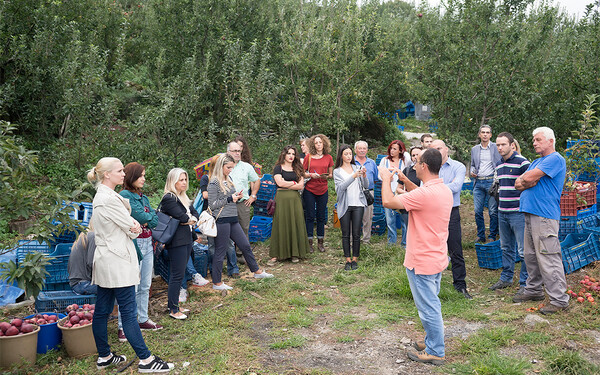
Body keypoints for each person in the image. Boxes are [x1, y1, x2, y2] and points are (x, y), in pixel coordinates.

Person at [87, 157, 173, 372]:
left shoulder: (105, 195)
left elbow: (135, 223)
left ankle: (104, 356)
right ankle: (146, 360)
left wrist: (135, 223)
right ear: (107, 174)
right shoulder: (108, 199)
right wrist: (135, 224)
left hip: (107, 258)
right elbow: (133, 228)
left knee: (103, 309)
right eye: (120, 170)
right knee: (127, 310)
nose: (124, 174)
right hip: (117, 260)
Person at [379, 148, 452, 366]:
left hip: (422, 260)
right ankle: (431, 340)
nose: (414, 165)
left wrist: (385, 180)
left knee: (429, 308)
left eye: (417, 162)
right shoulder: (442, 190)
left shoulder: (425, 194)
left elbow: (388, 202)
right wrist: (403, 179)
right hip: (436, 256)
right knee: (432, 302)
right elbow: (418, 193)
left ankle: (436, 351)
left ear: (424, 167)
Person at [512, 127, 569, 315]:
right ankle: (534, 290)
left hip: (544, 216)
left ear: (550, 141)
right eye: (533, 139)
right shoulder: (537, 161)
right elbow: (519, 183)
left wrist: (528, 178)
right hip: (529, 213)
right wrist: (528, 179)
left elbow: (526, 178)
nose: (534, 142)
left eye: (538, 139)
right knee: (530, 256)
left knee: (548, 256)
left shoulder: (555, 159)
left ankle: (559, 299)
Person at [208, 154, 274, 290]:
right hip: (222, 220)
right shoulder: (214, 182)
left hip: (233, 218)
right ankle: (217, 282)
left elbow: (230, 197)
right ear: (221, 166)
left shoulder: (229, 178)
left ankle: (256, 271)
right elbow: (212, 204)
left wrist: (237, 196)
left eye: (232, 167)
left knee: (245, 245)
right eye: (228, 167)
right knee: (221, 251)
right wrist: (229, 199)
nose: (230, 170)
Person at [116, 162, 163, 341]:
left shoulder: (142, 196)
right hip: (133, 244)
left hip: (148, 243)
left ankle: (142, 319)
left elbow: (154, 220)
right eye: (141, 175)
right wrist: (146, 218)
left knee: (145, 285)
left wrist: (147, 219)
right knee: (131, 287)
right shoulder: (125, 196)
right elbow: (141, 216)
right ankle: (123, 326)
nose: (144, 179)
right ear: (132, 176)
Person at [489, 132, 530, 292]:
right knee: (506, 247)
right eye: (498, 145)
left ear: (512, 145)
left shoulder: (523, 163)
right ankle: (506, 278)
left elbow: (531, 183)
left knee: (523, 250)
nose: (500, 147)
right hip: (502, 212)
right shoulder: (499, 164)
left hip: (517, 212)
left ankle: (525, 283)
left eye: (503, 144)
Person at [431, 140, 472, 299]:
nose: (436, 152)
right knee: (433, 247)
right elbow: (422, 186)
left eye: (439, 148)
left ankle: (460, 285)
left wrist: (432, 188)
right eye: (433, 149)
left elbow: (456, 187)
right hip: (432, 211)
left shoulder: (458, 166)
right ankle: (433, 284)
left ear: (446, 150)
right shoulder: (428, 166)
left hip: (450, 211)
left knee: (455, 248)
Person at [159, 168, 199, 320]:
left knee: (180, 273)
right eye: (180, 180)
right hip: (177, 241)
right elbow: (183, 217)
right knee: (176, 275)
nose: (184, 182)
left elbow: (194, 213)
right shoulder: (169, 198)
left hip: (186, 238)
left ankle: (174, 304)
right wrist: (190, 219)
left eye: (185, 179)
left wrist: (191, 219)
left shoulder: (183, 196)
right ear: (172, 181)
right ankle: (173, 309)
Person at [198, 154, 239, 277]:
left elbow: (230, 193)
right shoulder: (207, 179)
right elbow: (205, 195)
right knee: (212, 245)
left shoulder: (227, 178)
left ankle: (233, 268)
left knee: (229, 243)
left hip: (226, 214)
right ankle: (214, 269)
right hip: (212, 215)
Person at [269, 146, 309, 263]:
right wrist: (292, 183)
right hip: (281, 200)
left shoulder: (298, 168)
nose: (291, 156)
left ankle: (295, 254)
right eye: (289, 153)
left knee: (295, 223)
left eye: (293, 154)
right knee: (281, 223)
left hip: (295, 200)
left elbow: (300, 186)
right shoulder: (278, 168)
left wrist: (287, 184)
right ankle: (278, 253)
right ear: (284, 155)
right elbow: (279, 182)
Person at [334, 144, 369, 270]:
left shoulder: (357, 167)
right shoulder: (337, 171)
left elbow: (365, 185)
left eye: (350, 154)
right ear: (341, 156)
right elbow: (340, 188)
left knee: (356, 233)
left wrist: (364, 176)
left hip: (358, 204)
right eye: (346, 154)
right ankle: (347, 259)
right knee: (345, 233)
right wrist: (353, 176)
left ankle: (355, 259)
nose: (349, 156)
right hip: (345, 205)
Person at [227, 141, 260, 264]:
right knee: (226, 229)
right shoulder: (222, 167)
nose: (237, 153)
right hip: (227, 203)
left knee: (243, 229)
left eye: (239, 151)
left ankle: (241, 255)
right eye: (234, 151)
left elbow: (256, 180)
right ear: (228, 152)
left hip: (242, 203)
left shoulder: (246, 167)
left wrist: (253, 195)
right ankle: (228, 255)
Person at [470, 125, 502, 243]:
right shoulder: (475, 149)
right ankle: (480, 235)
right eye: (483, 132)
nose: (485, 134)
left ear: (490, 135)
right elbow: (473, 164)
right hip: (478, 181)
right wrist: (472, 171)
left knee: (493, 210)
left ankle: (492, 235)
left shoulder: (495, 147)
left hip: (491, 181)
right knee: (478, 210)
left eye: (487, 132)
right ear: (479, 134)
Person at [303, 134, 334, 253]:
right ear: (313, 145)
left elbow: (331, 174)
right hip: (310, 189)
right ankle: (309, 242)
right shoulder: (308, 157)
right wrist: (311, 175)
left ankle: (320, 242)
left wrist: (326, 176)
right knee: (310, 216)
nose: (318, 144)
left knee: (321, 217)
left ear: (324, 143)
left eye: (320, 142)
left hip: (323, 189)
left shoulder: (328, 157)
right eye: (316, 143)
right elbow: (302, 173)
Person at [378, 140, 411, 246]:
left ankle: (405, 243)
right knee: (389, 219)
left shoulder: (405, 161)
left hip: (401, 192)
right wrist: (388, 177)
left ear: (400, 150)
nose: (392, 151)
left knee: (404, 218)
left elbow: (408, 171)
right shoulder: (384, 160)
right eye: (391, 148)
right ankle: (391, 242)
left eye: (395, 149)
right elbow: (379, 175)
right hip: (389, 191)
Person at [353, 140, 378, 244]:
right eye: (360, 148)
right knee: (354, 216)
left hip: (368, 192)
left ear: (367, 150)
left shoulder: (371, 162)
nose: (362, 150)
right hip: (354, 192)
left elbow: (376, 178)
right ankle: (353, 239)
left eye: (364, 148)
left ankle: (366, 239)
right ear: (355, 150)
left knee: (367, 218)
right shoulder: (351, 162)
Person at [68, 230, 97, 295]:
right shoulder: (93, 236)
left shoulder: (84, 235)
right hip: (82, 285)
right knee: (112, 287)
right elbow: (92, 263)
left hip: (76, 283)